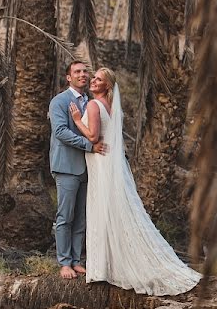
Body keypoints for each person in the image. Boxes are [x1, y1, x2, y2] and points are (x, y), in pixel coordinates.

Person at [68, 67, 201, 295]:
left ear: (107, 86)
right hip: (112, 163)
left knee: (102, 210)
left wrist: (77, 120)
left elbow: (92, 136)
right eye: (94, 78)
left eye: (98, 79)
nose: (93, 81)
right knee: (115, 210)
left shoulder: (92, 105)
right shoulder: (112, 108)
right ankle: (107, 265)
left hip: (101, 164)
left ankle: (101, 269)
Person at [48, 61, 106, 280]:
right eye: (77, 72)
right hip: (66, 167)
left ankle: (76, 260)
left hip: (88, 168)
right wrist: (89, 145)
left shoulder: (91, 102)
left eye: (85, 71)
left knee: (81, 217)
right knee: (65, 216)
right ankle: (64, 262)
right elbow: (61, 132)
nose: (83, 75)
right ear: (68, 78)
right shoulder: (60, 101)